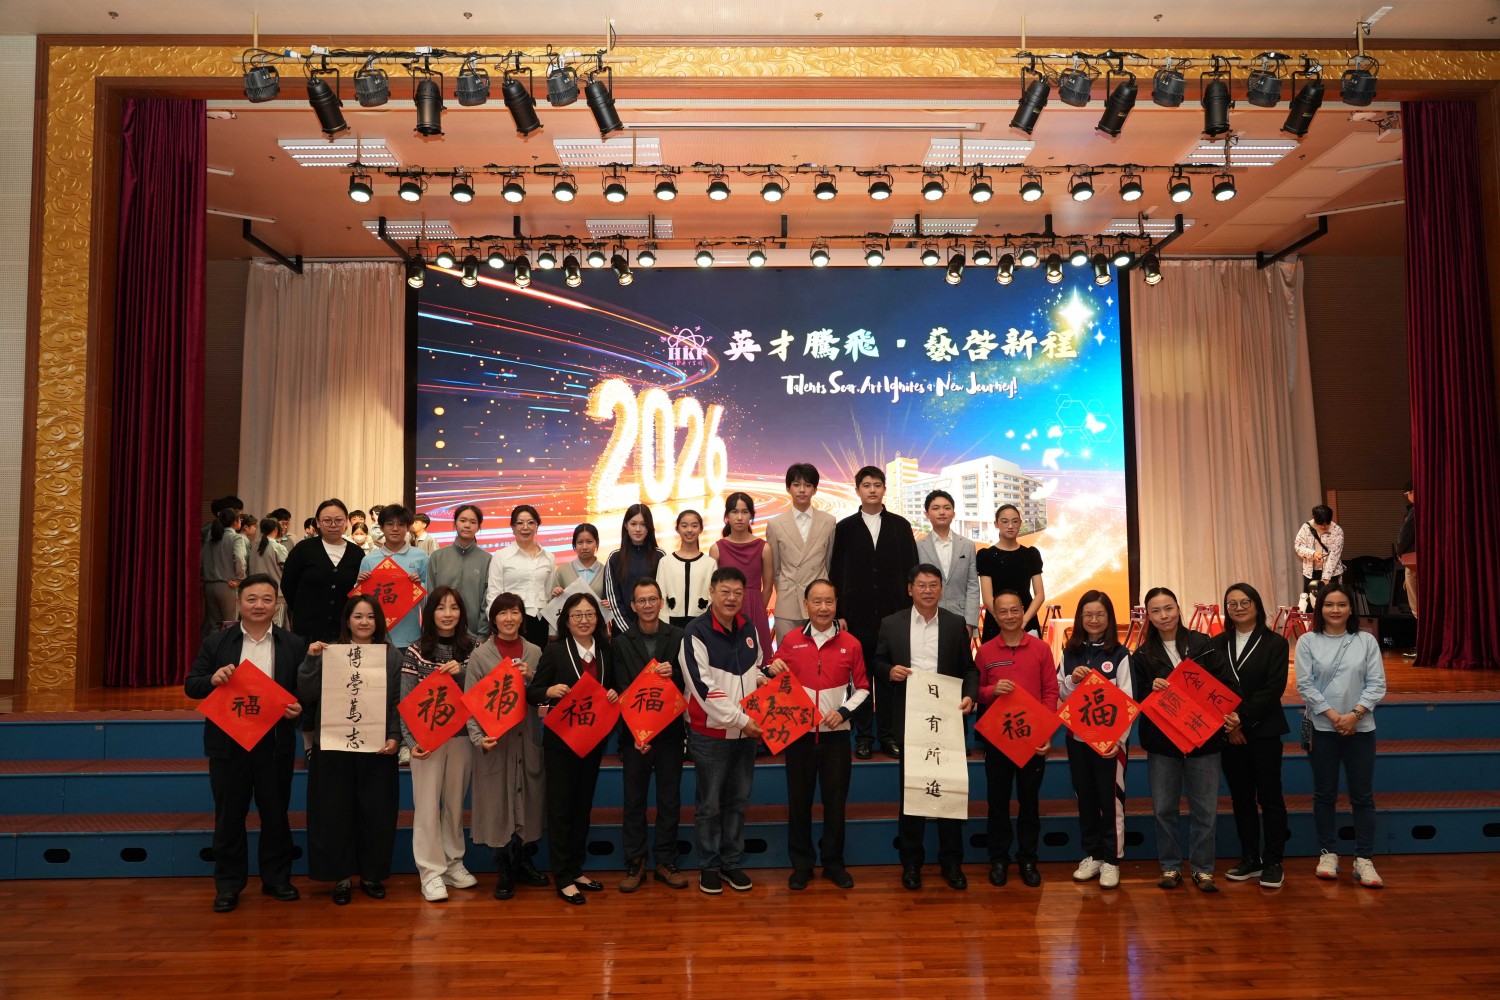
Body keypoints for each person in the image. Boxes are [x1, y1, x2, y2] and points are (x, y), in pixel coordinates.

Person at [183, 574, 306, 913]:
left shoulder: (293, 643)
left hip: (275, 743)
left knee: (275, 814)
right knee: (229, 816)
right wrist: (212, 679)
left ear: (276, 605)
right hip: (228, 744)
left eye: (267, 599)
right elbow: (192, 685)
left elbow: (305, 692)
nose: (259, 605)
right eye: (251, 599)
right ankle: (228, 884)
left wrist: (299, 709)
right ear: (239, 603)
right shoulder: (217, 642)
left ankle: (277, 879)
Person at [876, 564, 978, 891]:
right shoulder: (891, 623)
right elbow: (877, 662)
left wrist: (970, 696)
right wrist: (889, 671)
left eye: (934, 585)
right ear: (910, 589)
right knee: (913, 794)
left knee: (949, 792)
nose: (928, 590)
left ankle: (952, 863)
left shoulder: (954, 623)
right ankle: (911, 864)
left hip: (947, 720)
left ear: (941, 589)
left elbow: (969, 669)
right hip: (911, 721)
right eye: (921, 585)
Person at [297, 594, 401, 905]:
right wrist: (311, 659)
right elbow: (306, 693)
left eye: (370, 616)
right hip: (333, 747)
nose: (364, 622)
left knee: (376, 812)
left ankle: (371, 875)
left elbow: (398, 701)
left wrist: (394, 736)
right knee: (334, 811)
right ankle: (340, 876)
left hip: (377, 748)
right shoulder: (329, 651)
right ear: (347, 621)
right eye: (358, 616)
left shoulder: (392, 655)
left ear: (378, 621)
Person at [769, 578, 868, 890]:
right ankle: (801, 865)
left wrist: (844, 712)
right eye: (817, 601)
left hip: (836, 737)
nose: (823, 608)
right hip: (798, 736)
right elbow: (771, 673)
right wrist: (771, 669)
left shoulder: (851, 643)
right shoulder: (791, 640)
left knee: (835, 804)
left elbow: (864, 688)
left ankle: (833, 863)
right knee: (798, 804)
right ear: (806, 605)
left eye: (829, 601)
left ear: (836, 604)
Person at [680, 566, 768, 895]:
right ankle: (709, 866)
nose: (731, 598)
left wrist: (764, 679)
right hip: (711, 735)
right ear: (712, 592)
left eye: (737, 593)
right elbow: (704, 689)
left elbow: (755, 666)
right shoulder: (695, 632)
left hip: (746, 735)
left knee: (738, 801)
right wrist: (742, 720)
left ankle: (731, 863)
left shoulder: (749, 627)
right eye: (725, 592)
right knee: (710, 805)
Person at [528, 592, 618, 905]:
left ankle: (576, 868)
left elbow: (614, 687)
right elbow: (533, 693)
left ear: (598, 619)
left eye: (589, 614)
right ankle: (563, 876)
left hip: (592, 741)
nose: (583, 620)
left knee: (582, 807)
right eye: (577, 615)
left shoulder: (606, 651)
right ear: (565, 620)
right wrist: (549, 691)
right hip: (561, 743)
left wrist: (614, 694)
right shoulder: (554, 651)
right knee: (561, 809)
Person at [1295, 583, 1387, 888]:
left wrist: (1354, 715)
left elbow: (1377, 683)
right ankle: (1328, 853)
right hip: (1322, 729)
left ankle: (1364, 858)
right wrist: (1335, 717)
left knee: (1362, 795)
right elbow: (1305, 685)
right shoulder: (1308, 641)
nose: (1335, 610)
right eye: (1329, 604)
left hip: (1361, 729)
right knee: (1324, 793)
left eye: (1342, 604)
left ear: (1351, 609)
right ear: (1319, 609)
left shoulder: (1366, 641)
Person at [1133, 585, 1223, 892]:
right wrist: (1151, 689)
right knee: (1163, 809)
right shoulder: (1142, 654)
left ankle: (1203, 869)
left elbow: (1220, 684)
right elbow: (1137, 696)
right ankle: (1170, 867)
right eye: (1156, 611)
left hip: (1203, 739)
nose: (1164, 615)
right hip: (1163, 742)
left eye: (1168, 608)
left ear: (1178, 608)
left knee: (1205, 809)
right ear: (1148, 616)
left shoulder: (1203, 643)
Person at [828, 465, 919, 760]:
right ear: (857, 490)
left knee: (892, 676)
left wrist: (910, 610)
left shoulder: (900, 526)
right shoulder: (845, 528)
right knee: (862, 677)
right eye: (866, 485)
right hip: (857, 615)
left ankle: (889, 736)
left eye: (877, 485)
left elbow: (912, 569)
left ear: (884, 489)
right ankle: (864, 736)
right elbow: (837, 571)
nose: (872, 490)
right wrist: (840, 612)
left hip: (895, 614)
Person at [465, 592, 550, 901]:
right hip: (496, 742)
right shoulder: (480, 656)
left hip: (526, 738)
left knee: (529, 799)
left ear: (522, 617)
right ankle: (503, 868)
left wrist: (532, 679)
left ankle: (524, 861)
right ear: (493, 619)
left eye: (514, 612)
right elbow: (470, 704)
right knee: (497, 802)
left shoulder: (535, 652)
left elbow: (544, 695)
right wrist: (478, 738)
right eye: (502, 613)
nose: (509, 618)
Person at [609, 577, 690, 892]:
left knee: (670, 799)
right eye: (641, 600)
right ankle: (636, 861)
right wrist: (637, 732)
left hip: (670, 732)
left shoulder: (679, 636)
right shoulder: (620, 642)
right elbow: (621, 687)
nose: (647, 605)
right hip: (635, 735)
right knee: (634, 800)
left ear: (661, 601)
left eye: (652, 599)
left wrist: (676, 674)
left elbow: (690, 680)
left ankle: (666, 862)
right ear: (632, 606)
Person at [974, 590, 1057, 889]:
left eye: (1014, 610)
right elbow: (975, 691)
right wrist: (991, 691)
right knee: (997, 802)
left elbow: (1050, 692)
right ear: (994, 616)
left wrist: (1045, 731)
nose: (1009, 616)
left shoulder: (1041, 649)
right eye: (1003, 611)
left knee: (1029, 802)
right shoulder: (985, 652)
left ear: (1023, 611)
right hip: (998, 739)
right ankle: (999, 859)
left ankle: (1028, 859)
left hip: (1032, 739)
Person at [401, 587, 479, 903]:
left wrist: (463, 673)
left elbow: (481, 692)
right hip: (427, 741)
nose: (448, 614)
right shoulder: (416, 650)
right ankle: (430, 872)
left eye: (454, 607)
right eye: (441, 607)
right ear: (430, 613)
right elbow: (406, 699)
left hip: (462, 738)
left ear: (462, 612)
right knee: (426, 807)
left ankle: (453, 863)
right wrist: (410, 741)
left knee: (455, 805)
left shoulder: (474, 647)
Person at [1214, 582, 1291, 889]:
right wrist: (1231, 726)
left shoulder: (1275, 643)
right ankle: (1250, 858)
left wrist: (1241, 720)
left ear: (1257, 605)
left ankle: (1273, 861)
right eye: (1232, 603)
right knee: (1241, 798)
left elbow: (1273, 688)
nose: (1239, 608)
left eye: (1245, 602)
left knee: (1270, 797)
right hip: (1228, 732)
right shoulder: (1217, 643)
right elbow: (1212, 687)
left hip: (1264, 731)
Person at [1058, 590, 1133, 890]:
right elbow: (1062, 695)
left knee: (1110, 801)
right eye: (1088, 614)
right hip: (1077, 739)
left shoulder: (1120, 654)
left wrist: (1118, 740)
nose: (1093, 619)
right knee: (1085, 798)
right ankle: (1093, 855)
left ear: (1109, 617)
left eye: (1100, 614)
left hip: (1110, 744)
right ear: (1080, 618)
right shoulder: (1070, 652)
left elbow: (1128, 700)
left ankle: (1112, 860)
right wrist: (1072, 680)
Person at [765, 463, 836, 643]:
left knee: (822, 654)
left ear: (815, 490)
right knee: (788, 654)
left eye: (808, 485)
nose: (802, 490)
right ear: (788, 488)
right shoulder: (775, 524)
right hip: (788, 602)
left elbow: (828, 562)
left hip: (820, 602)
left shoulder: (829, 521)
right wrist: (786, 588)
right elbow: (776, 568)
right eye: (796, 485)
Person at [282, 499, 364, 645]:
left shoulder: (356, 553)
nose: (333, 525)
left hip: (343, 631)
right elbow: (288, 584)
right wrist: (302, 610)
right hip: (307, 630)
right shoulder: (303, 549)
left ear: (346, 522)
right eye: (327, 520)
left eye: (338, 520)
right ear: (318, 523)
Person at [357, 505, 430, 654]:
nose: (395, 528)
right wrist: (359, 584)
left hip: (411, 636)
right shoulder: (369, 560)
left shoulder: (420, 556)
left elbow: (430, 597)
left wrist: (418, 586)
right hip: (377, 637)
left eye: (401, 524)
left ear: (408, 527)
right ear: (381, 527)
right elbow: (361, 602)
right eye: (390, 524)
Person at [709, 492, 774, 654]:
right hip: (725, 611)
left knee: (758, 659)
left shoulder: (764, 548)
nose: (739, 517)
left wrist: (757, 609)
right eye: (734, 512)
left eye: (744, 512)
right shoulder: (716, 549)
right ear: (727, 516)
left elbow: (768, 587)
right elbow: (712, 587)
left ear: (751, 515)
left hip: (755, 610)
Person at [484, 505, 556, 649]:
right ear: (513, 527)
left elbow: (549, 593)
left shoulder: (549, 557)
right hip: (510, 621)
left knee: (536, 661)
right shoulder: (501, 556)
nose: (525, 527)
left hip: (539, 621)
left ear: (537, 526)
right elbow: (493, 594)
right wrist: (496, 625)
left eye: (531, 522)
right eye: (520, 523)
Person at [917, 490, 981, 636]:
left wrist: (970, 623)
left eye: (947, 508)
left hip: (961, 619)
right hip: (927, 619)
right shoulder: (918, 546)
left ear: (953, 513)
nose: (942, 512)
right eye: (936, 508)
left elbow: (972, 585)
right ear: (927, 514)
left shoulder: (967, 545)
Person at [977, 503, 1045, 641]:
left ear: (1020, 523)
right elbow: (987, 597)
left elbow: (1040, 595)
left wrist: (1023, 621)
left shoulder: (1030, 554)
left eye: (1015, 521)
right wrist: (1002, 619)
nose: (1010, 526)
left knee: (1030, 654)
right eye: (1004, 521)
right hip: (996, 621)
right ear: (996, 524)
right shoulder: (986, 555)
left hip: (1026, 618)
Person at [428, 504, 492, 642]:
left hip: (473, 635)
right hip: (439, 634)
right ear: (455, 523)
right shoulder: (437, 557)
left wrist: (482, 636)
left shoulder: (487, 560)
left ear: (478, 527)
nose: (467, 525)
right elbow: (430, 597)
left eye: (473, 522)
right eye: (463, 520)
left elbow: (486, 601)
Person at [602, 504, 665, 634]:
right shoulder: (615, 558)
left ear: (649, 527)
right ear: (626, 525)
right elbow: (612, 601)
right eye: (633, 524)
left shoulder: (660, 556)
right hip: (623, 634)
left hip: (656, 632)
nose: (638, 529)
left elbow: (664, 596)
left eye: (643, 524)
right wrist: (630, 633)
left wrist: (654, 629)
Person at [659, 509, 716, 629]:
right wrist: (664, 627)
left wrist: (709, 625)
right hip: (672, 625)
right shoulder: (665, 562)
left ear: (701, 529)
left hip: (702, 624)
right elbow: (661, 596)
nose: (689, 530)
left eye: (694, 526)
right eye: (684, 526)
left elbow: (713, 597)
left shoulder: (710, 563)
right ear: (677, 529)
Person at [200, 506, 247, 636]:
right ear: (235, 522)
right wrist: (240, 579)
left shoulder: (210, 539)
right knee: (230, 625)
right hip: (228, 585)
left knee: (214, 625)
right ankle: (228, 650)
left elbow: (201, 560)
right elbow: (239, 558)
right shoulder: (236, 538)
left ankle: (213, 649)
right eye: (239, 519)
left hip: (209, 585)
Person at [548, 522, 608, 608]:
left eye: (589, 542)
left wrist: (610, 604)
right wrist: (555, 594)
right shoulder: (563, 571)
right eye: (580, 542)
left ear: (597, 543)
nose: (584, 547)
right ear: (574, 545)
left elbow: (613, 600)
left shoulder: (606, 571)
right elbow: (552, 605)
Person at [1294, 504, 1346, 604]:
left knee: (1331, 602)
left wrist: (1326, 578)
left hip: (1332, 574)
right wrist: (1313, 554)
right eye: (1321, 524)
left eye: (1327, 524)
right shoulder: (1306, 528)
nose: (1324, 527)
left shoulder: (1337, 531)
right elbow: (1298, 546)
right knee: (1310, 603)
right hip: (1311, 573)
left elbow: (1334, 555)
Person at [247, 517, 289, 628]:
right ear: (275, 529)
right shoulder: (278, 547)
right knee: (276, 627)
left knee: (261, 625)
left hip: (255, 591)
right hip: (276, 593)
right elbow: (288, 570)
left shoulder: (254, 547)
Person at [1396, 481, 1417, 623]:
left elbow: (1404, 536)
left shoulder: (1415, 510)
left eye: (1407, 494)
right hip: (1425, 560)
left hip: (1413, 559)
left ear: (1412, 492)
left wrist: (1399, 551)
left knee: (1416, 607)